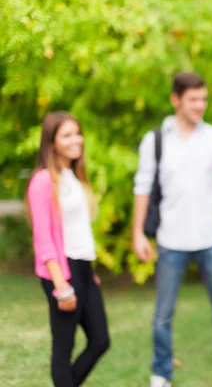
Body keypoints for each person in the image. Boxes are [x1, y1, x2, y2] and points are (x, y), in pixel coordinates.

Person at [132, 72, 212, 387]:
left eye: (203, 99)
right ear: (176, 100)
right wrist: (137, 233)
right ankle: (161, 373)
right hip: (170, 240)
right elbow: (142, 188)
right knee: (163, 315)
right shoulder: (154, 140)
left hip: (211, 239)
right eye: (193, 99)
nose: (200, 105)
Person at [27, 111, 110, 386]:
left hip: (84, 268)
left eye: (77, 133)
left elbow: (77, 231)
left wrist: (89, 271)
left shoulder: (73, 177)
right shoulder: (43, 181)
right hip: (62, 272)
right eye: (67, 135)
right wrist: (62, 286)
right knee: (63, 349)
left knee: (100, 340)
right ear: (51, 143)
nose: (76, 140)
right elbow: (43, 238)